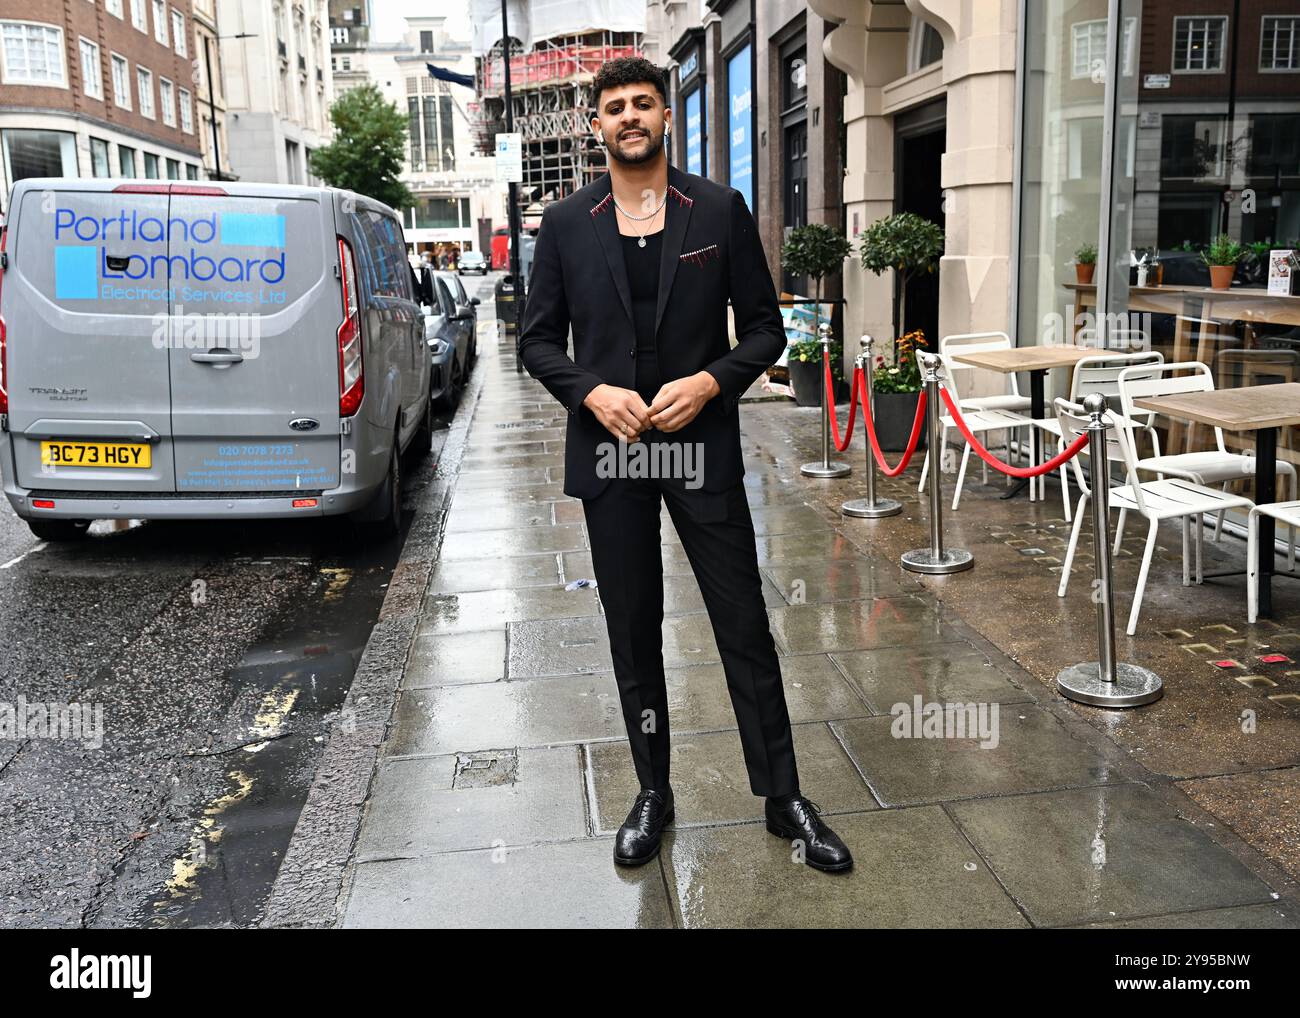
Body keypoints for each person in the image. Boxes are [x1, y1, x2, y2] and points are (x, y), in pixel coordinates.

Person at [518, 56, 852, 873]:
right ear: (597, 127)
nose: (629, 116)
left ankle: (783, 797)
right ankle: (651, 792)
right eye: (614, 107)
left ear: (666, 116)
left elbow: (769, 333)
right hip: (612, 454)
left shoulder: (718, 210)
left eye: (642, 104)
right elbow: (534, 341)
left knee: (744, 622)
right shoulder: (565, 224)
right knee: (633, 630)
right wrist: (592, 394)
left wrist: (711, 382)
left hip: (699, 449)